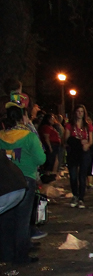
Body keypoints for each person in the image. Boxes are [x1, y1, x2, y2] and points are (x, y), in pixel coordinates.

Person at [0, 98, 46, 264]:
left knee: (5, 219)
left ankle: (5, 254)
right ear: (22, 118)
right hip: (25, 180)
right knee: (22, 220)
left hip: (4, 181)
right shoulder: (29, 137)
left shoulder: (1, 136)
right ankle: (21, 256)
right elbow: (41, 159)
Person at [65, 105, 93, 208]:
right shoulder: (70, 125)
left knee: (82, 175)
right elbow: (67, 140)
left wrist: (87, 144)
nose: (80, 113)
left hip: (84, 152)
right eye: (78, 111)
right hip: (73, 152)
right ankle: (75, 195)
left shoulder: (87, 125)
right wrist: (78, 142)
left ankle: (81, 197)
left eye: (82, 111)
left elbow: (91, 140)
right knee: (73, 175)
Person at [38, 113, 61, 177]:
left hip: (55, 145)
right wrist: (50, 147)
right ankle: (48, 175)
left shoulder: (51, 127)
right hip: (51, 145)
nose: (53, 120)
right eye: (52, 118)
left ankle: (53, 175)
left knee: (55, 160)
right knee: (50, 161)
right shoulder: (46, 127)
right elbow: (46, 138)